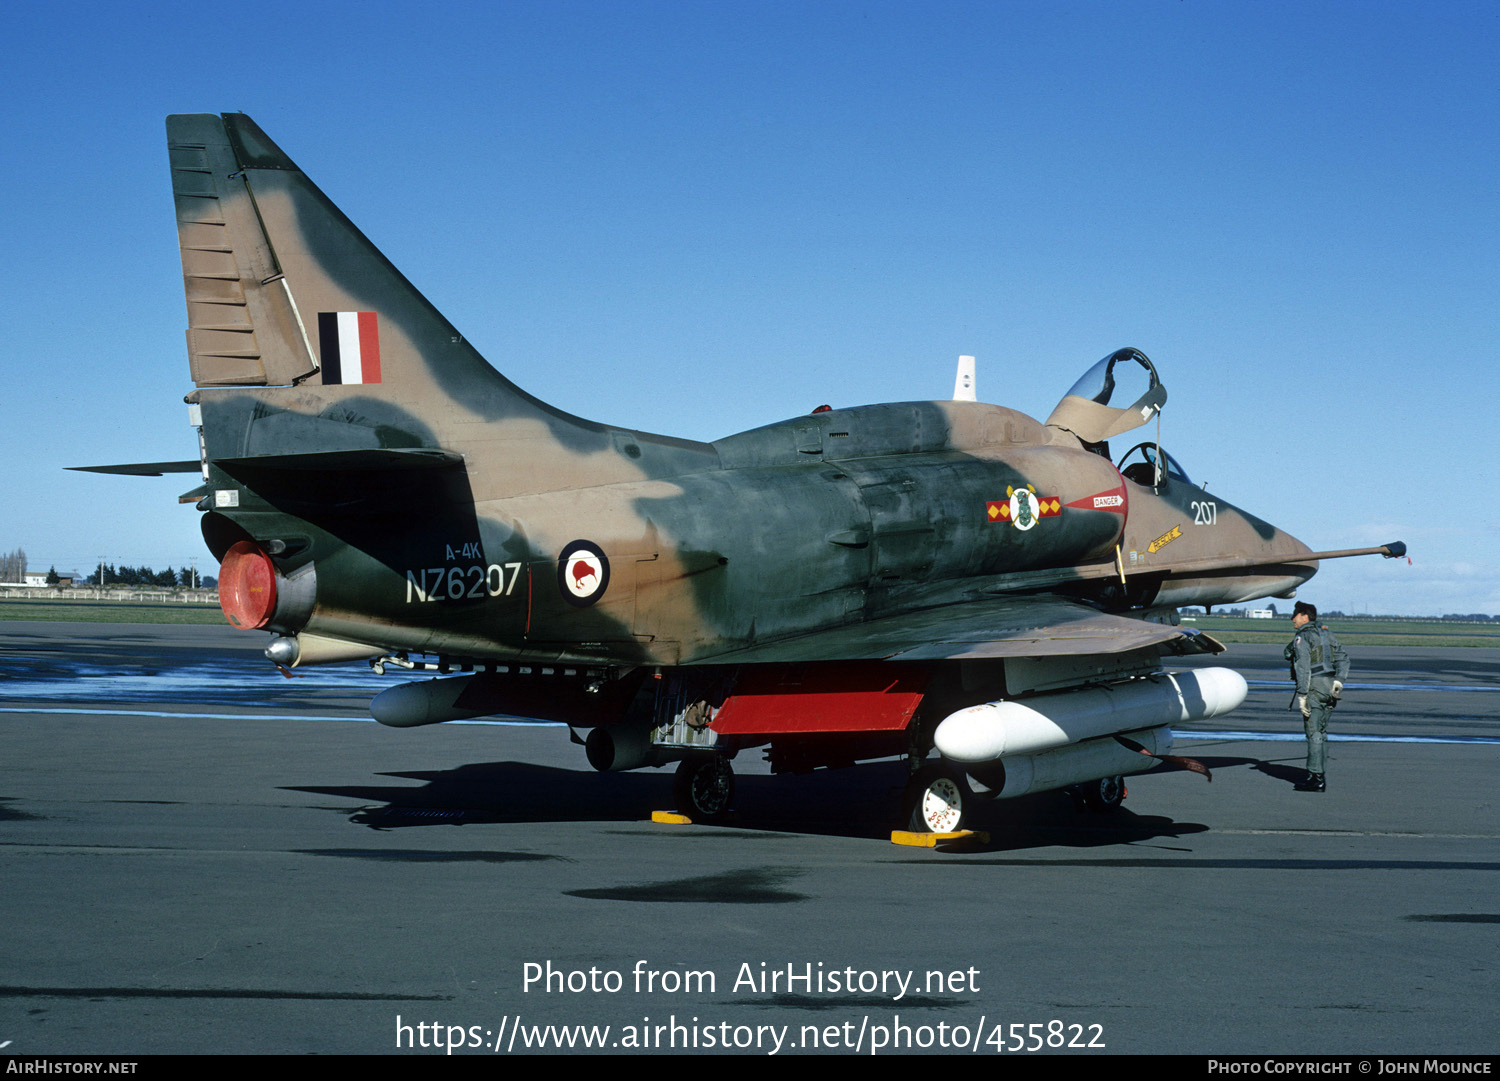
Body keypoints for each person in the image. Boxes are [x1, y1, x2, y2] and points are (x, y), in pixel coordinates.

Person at [1283, 601, 1349, 792]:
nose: (1292, 619)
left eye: (1295, 615)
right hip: (1330, 687)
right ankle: (1319, 774)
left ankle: (1315, 778)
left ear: (1305, 616)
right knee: (1322, 731)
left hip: (1314, 686)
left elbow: (1303, 667)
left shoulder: (1303, 636)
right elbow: (1343, 658)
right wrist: (1339, 680)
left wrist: (1302, 694)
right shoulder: (1327, 634)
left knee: (1313, 733)